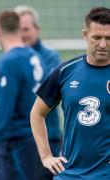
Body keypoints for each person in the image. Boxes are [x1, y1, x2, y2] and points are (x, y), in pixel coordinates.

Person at [30, 7, 110, 179]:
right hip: (69, 174)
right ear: (85, 35)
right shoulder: (65, 71)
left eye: (108, 38)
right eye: (97, 37)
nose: (103, 44)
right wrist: (46, 156)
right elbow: (37, 113)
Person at [0, 10, 47, 180]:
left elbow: (5, 107)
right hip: (36, 138)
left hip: (17, 143)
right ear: (18, 29)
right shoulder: (34, 56)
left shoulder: (9, 60)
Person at [14, 5, 62, 179]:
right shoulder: (7, 57)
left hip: (47, 139)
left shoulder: (50, 57)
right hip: (17, 139)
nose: (22, 34)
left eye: (25, 29)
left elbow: (41, 91)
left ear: (37, 29)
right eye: (17, 30)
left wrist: (13, 85)